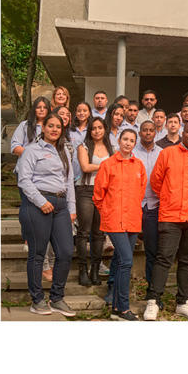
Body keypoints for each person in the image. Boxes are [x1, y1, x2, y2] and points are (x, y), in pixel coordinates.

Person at [145, 121, 188, 321]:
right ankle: (153, 301)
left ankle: (183, 303)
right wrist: (168, 198)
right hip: (170, 216)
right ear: (182, 133)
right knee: (163, 258)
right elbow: (156, 181)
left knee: (187, 261)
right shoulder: (167, 153)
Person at [14, 115, 77, 316]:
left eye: (58, 126)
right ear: (44, 128)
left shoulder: (63, 151)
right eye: (51, 126)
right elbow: (24, 180)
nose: (54, 129)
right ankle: (37, 300)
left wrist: (72, 208)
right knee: (38, 253)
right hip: (37, 204)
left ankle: (57, 298)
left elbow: (68, 182)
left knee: (65, 252)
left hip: (61, 206)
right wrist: (41, 202)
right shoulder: (32, 150)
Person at [92, 128, 146, 320]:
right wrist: (108, 212)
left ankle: (116, 308)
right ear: (119, 140)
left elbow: (140, 192)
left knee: (122, 260)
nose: (128, 143)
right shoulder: (108, 165)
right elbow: (98, 195)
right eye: (125, 139)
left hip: (132, 219)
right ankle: (123, 308)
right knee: (126, 261)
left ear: (134, 143)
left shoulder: (139, 165)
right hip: (114, 220)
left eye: (132, 140)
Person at [74, 116, 112, 286]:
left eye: (100, 128)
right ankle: (82, 270)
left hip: (104, 192)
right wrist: (107, 166)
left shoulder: (111, 148)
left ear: (105, 129)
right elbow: (85, 167)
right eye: (93, 128)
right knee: (84, 231)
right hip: (86, 190)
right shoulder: (83, 147)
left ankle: (95, 270)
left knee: (99, 233)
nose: (97, 131)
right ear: (89, 131)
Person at [133, 118, 164, 299]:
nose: (147, 133)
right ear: (140, 133)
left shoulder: (162, 153)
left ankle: (152, 292)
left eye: (151, 130)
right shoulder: (132, 152)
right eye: (144, 130)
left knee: (153, 251)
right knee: (124, 251)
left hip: (153, 206)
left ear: (155, 132)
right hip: (134, 205)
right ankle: (116, 290)